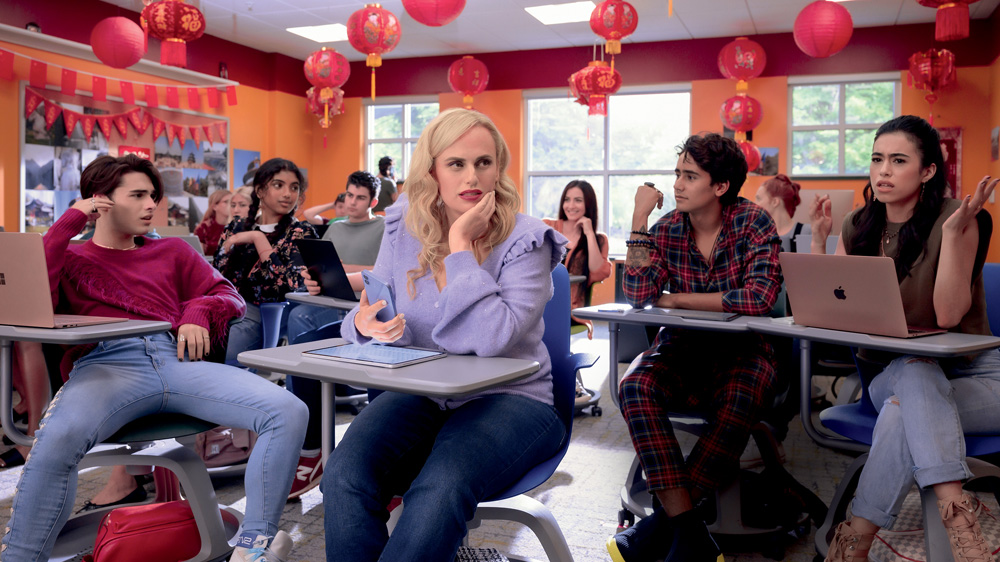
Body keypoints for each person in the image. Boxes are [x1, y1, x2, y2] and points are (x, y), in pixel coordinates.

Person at [0, 154, 308, 562]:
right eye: (139, 195)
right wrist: (72, 220)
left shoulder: (173, 251)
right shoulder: (72, 257)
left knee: (287, 409)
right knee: (56, 438)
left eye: (154, 195)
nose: (151, 205)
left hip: (175, 358)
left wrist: (198, 312)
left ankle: (254, 547)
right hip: (108, 365)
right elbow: (35, 294)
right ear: (101, 201)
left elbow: (227, 294)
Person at [320, 108, 567, 561]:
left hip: (513, 399)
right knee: (342, 473)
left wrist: (460, 249)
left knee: (439, 486)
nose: (472, 175)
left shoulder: (528, 239)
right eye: (456, 163)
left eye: (484, 163)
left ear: (500, 167)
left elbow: (493, 338)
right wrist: (363, 324)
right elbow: (370, 304)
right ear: (432, 169)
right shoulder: (401, 227)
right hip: (424, 393)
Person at [809, 115, 1000, 562]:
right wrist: (819, 247)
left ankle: (851, 543)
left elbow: (949, 315)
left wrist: (952, 237)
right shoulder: (857, 224)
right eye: (877, 159)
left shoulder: (959, 217)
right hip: (889, 376)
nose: (883, 171)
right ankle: (963, 526)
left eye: (898, 160)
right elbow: (830, 310)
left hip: (981, 379)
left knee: (902, 409)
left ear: (928, 170)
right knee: (914, 371)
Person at [607, 133, 782, 562]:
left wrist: (679, 298)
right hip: (683, 349)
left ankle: (662, 527)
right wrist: (638, 220)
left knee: (743, 393)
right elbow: (637, 292)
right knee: (636, 386)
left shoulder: (753, 222)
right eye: (677, 174)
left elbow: (758, 298)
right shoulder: (666, 228)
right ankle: (689, 532)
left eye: (690, 176)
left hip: (744, 353)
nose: (678, 185)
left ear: (720, 186)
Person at [215, 158, 316, 365]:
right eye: (278, 185)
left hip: (262, 317)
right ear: (260, 191)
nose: (288, 194)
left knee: (218, 348)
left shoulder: (301, 232)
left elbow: (285, 286)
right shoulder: (236, 226)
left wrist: (258, 239)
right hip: (223, 309)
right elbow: (217, 273)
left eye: (294, 187)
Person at [543, 180, 612, 339]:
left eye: (578, 200)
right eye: (567, 199)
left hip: (570, 311)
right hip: (541, 302)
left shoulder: (599, 240)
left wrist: (589, 234)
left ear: (588, 204)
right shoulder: (548, 227)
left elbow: (597, 271)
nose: (570, 205)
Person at [754, 173, 810, 253]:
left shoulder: (807, 232)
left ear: (775, 202)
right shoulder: (756, 235)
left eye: (758, 199)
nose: (755, 204)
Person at [194, 188, 232, 256]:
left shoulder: (238, 226)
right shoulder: (203, 228)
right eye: (226, 202)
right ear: (214, 206)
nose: (230, 205)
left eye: (232, 202)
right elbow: (199, 256)